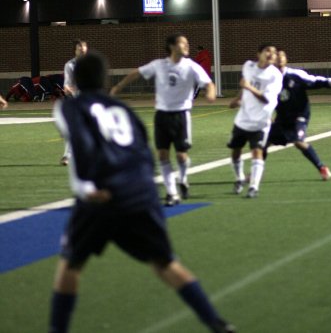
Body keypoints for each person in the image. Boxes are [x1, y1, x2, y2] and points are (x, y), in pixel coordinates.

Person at [49, 50, 235, 333]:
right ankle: (216, 323)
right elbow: (142, 149)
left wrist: (86, 188)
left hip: (101, 196)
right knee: (165, 264)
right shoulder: (123, 109)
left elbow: (83, 146)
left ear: (76, 77)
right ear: (104, 78)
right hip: (139, 192)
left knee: (71, 266)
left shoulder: (69, 108)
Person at [110, 33, 216, 206]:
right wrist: (118, 87)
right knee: (162, 155)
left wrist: (210, 92)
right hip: (162, 115)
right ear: (172, 46)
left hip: (181, 115)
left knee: (182, 156)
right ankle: (172, 193)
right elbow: (137, 73)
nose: (187, 46)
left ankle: (182, 179)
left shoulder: (191, 66)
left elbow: (208, 83)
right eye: (183, 43)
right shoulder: (159, 65)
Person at [266, 50, 331, 180]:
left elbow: (313, 81)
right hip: (282, 117)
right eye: (277, 57)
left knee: (298, 141)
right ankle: (254, 175)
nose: (279, 59)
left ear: (286, 59)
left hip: (299, 115)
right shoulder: (269, 79)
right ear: (272, 60)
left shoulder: (295, 75)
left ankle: (322, 168)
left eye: (282, 56)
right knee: (264, 143)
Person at [227, 44, 282, 198]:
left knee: (257, 152)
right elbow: (245, 87)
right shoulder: (248, 66)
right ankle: (239, 179)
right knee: (235, 152)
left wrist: (249, 87)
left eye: (274, 52)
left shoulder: (275, 75)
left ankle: (254, 187)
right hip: (242, 119)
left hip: (261, 121)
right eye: (268, 51)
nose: (272, 54)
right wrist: (237, 99)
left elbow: (266, 99)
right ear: (259, 54)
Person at [60, 39, 88, 166]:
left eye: (83, 47)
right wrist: (68, 89)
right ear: (75, 51)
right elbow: (67, 84)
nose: (82, 50)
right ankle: (67, 156)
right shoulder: (70, 65)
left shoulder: (92, 64)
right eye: (79, 48)